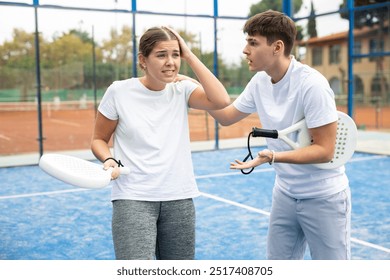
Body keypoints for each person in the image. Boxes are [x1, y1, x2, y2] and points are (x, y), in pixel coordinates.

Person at [207, 10, 351, 260]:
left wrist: (273, 156)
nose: (245, 50)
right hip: (284, 194)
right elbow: (225, 116)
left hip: (323, 197)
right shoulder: (259, 82)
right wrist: (193, 85)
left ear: (277, 47)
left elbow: (325, 150)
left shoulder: (312, 85)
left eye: (253, 43)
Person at [91, 26, 230, 260]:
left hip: (180, 198)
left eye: (175, 55)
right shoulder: (119, 91)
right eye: (161, 55)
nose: (170, 62)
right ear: (143, 60)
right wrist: (109, 159)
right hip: (132, 197)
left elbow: (222, 100)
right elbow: (98, 139)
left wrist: (190, 55)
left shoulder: (183, 90)